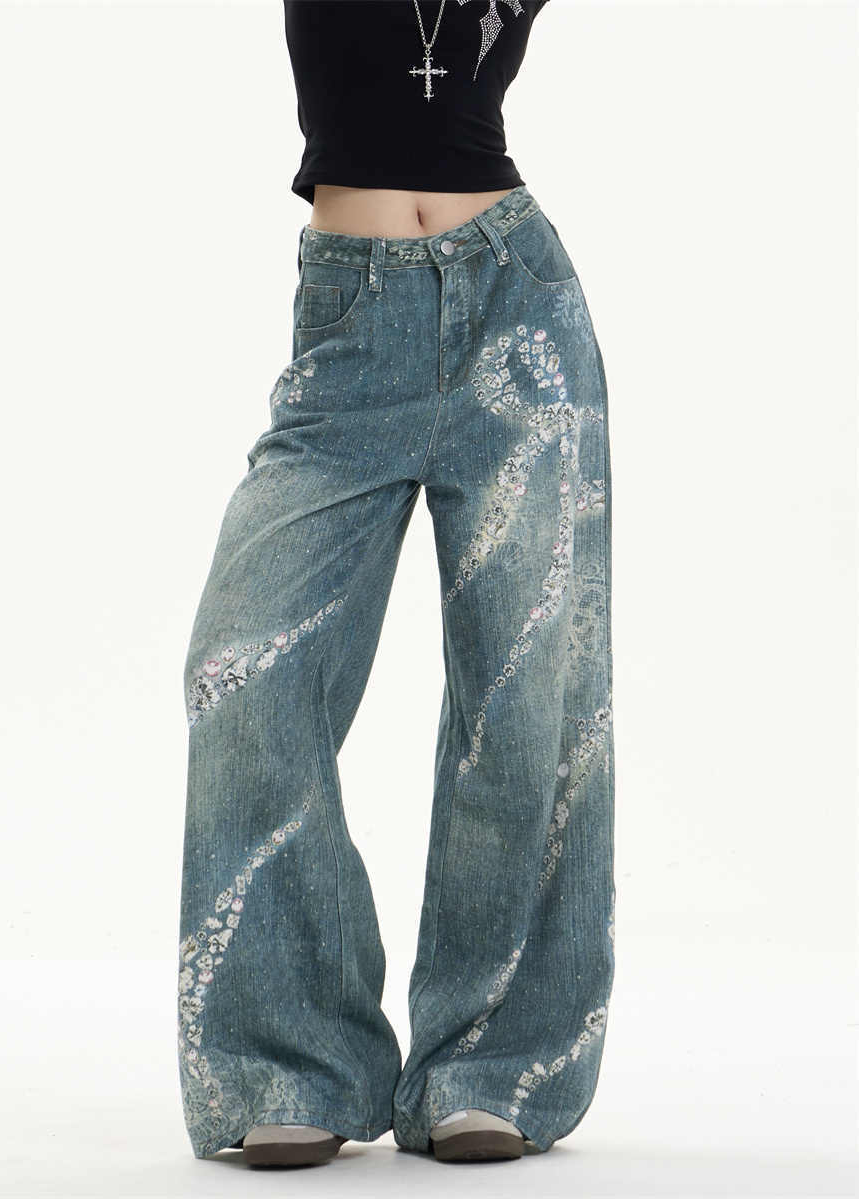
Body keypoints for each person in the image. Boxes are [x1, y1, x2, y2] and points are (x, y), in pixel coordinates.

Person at [177, 0, 615, 1168]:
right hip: (350, 330)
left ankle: (493, 1063)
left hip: (518, 308)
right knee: (243, 669)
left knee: (524, 701)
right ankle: (292, 1057)